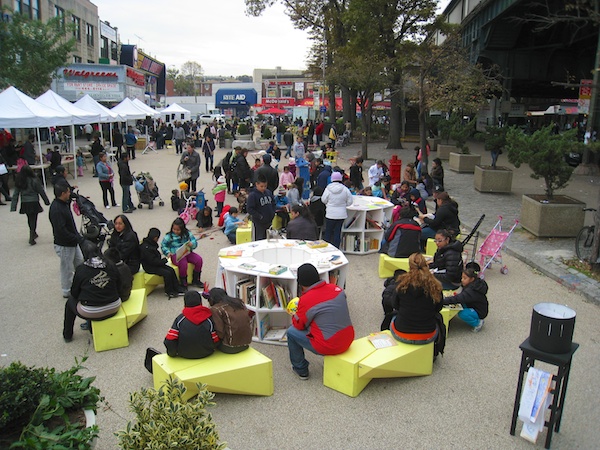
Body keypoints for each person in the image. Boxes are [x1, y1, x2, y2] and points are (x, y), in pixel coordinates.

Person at [287, 263, 354, 379]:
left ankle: (301, 369)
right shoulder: (337, 289)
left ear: (300, 284)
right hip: (348, 339)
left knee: (291, 332)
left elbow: (298, 326)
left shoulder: (305, 300)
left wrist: (295, 314)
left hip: (329, 345)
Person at [62, 240, 122, 341]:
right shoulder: (111, 264)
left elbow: (74, 293)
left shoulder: (81, 269)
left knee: (70, 303)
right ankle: (90, 324)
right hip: (114, 306)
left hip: (92, 311)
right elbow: (119, 286)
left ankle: (67, 335)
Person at [388, 253, 443, 346]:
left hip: (402, 333)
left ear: (410, 266)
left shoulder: (401, 284)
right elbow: (438, 308)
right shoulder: (435, 285)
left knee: (393, 318)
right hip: (428, 334)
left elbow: (395, 305)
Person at [49, 184, 85, 298]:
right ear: (63, 193)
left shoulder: (63, 203)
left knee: (79, 262)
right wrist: (76, 238)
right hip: (64, 244)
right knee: (67, 268)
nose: (69, 194)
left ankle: (81, 284)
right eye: (68, 192)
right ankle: (66, 290)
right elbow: (61, 230)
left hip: (72, 241)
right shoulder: (57, 209)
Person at [164, 291, 219, 359]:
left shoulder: (180, 319)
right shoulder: (208, 319)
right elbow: (215, 340)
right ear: (200, 302)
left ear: (185, 303)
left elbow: (170, 339)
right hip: (207, 353)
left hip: (184, 354)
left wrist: (172, 353)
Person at [140, 228, 186, 298]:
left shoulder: (150, 243)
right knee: (166, 273)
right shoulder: (146, 247)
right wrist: (164, 261)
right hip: (149, 267)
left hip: (155, 263)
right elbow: (152, 261)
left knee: (171, 270)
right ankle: (169, 291)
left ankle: (177, 287)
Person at [10, 165, 50, 245]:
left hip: (25, 202)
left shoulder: (20, 181)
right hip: (34, 201)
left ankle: (32, 232)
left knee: (29, 218)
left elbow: (15, 194)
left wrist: (13, 206)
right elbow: (41, 191)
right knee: (34, 218)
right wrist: (46, 201)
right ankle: (32, 233)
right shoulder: (34, 180)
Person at [442, 262, 488, 332]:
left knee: (462, 313)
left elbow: (460, 298)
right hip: (472, 304)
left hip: (479, 311)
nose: (462, 280)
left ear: (472, 279)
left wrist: (443, 300)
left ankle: (478, 323)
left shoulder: (472, 291)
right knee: (459, 302)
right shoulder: (474, 284)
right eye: (462, 277)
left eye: (465, 278)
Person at [204, 288, 253, 353]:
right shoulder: (238, 303)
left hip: (229, 346)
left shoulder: (216, 309)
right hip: (246, 343)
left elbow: (220, 333)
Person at [161, 217, 204, 289]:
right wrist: (168, 252)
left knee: (199, 260)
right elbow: (163, 245)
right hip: (176, 255)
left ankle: (196, 279)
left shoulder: (187, 234)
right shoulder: (169, 236)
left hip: (187, 252)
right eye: (174, 229)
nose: (175, 231)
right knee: (183, 264)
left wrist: (192, 244)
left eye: (178, 230)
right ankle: (183, 282)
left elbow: (194, 241)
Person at [322, 171, 353, 248]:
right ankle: (336, 248)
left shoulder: (328, 189)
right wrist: (343, 205)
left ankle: (327, 248)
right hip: (341, 214)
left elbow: (323, 200)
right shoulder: (345, 189)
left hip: (330, 213)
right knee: (337, 232)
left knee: (328, 232)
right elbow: (350, 201)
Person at [246, 175, 276, 241]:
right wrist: (260, 216)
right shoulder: (252, 195)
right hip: (259, 223)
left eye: (265, 186)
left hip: (269, 221)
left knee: (269, 239)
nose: (263, 188)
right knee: (260, 240)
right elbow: (249, 209)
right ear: (257, 184)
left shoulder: (268, 192)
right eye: (261, 186)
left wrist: (273, 212)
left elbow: (273, 203)